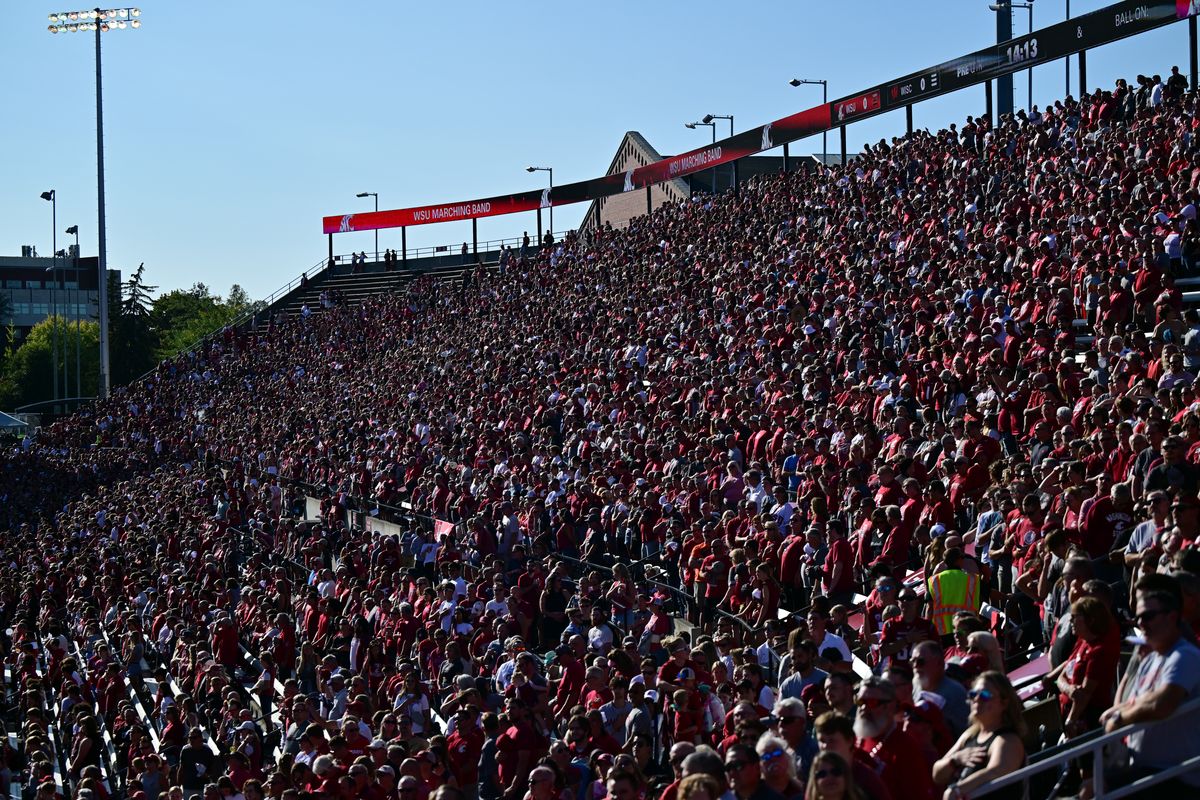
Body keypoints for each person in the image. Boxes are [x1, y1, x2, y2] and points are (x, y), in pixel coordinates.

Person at [1100, 589, 1200, 794]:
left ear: (1172, 617)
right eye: (1138, 618)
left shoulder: (1185, 655)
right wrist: (1121, 710)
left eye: (1148, 616)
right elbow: (1136, 701)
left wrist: (1119, 719)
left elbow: (1161, 704)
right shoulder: (1150, 659)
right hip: (1143, 768)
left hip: (1175, 775)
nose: (1141, 624)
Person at [932, 672, 1026, 800]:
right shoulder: (970, 734)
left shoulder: (1007, 740)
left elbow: (995, 772)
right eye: (973, 694)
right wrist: (955, 760)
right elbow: (937, 774)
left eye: (985, 695)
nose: (976, 699)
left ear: (1004, 703)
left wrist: (957, 790)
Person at [852, 677, 932, 800]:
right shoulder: (856, 740)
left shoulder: (905, 747)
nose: (863, 708)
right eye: (860, 702)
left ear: (890, 706)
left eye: (871, 702)